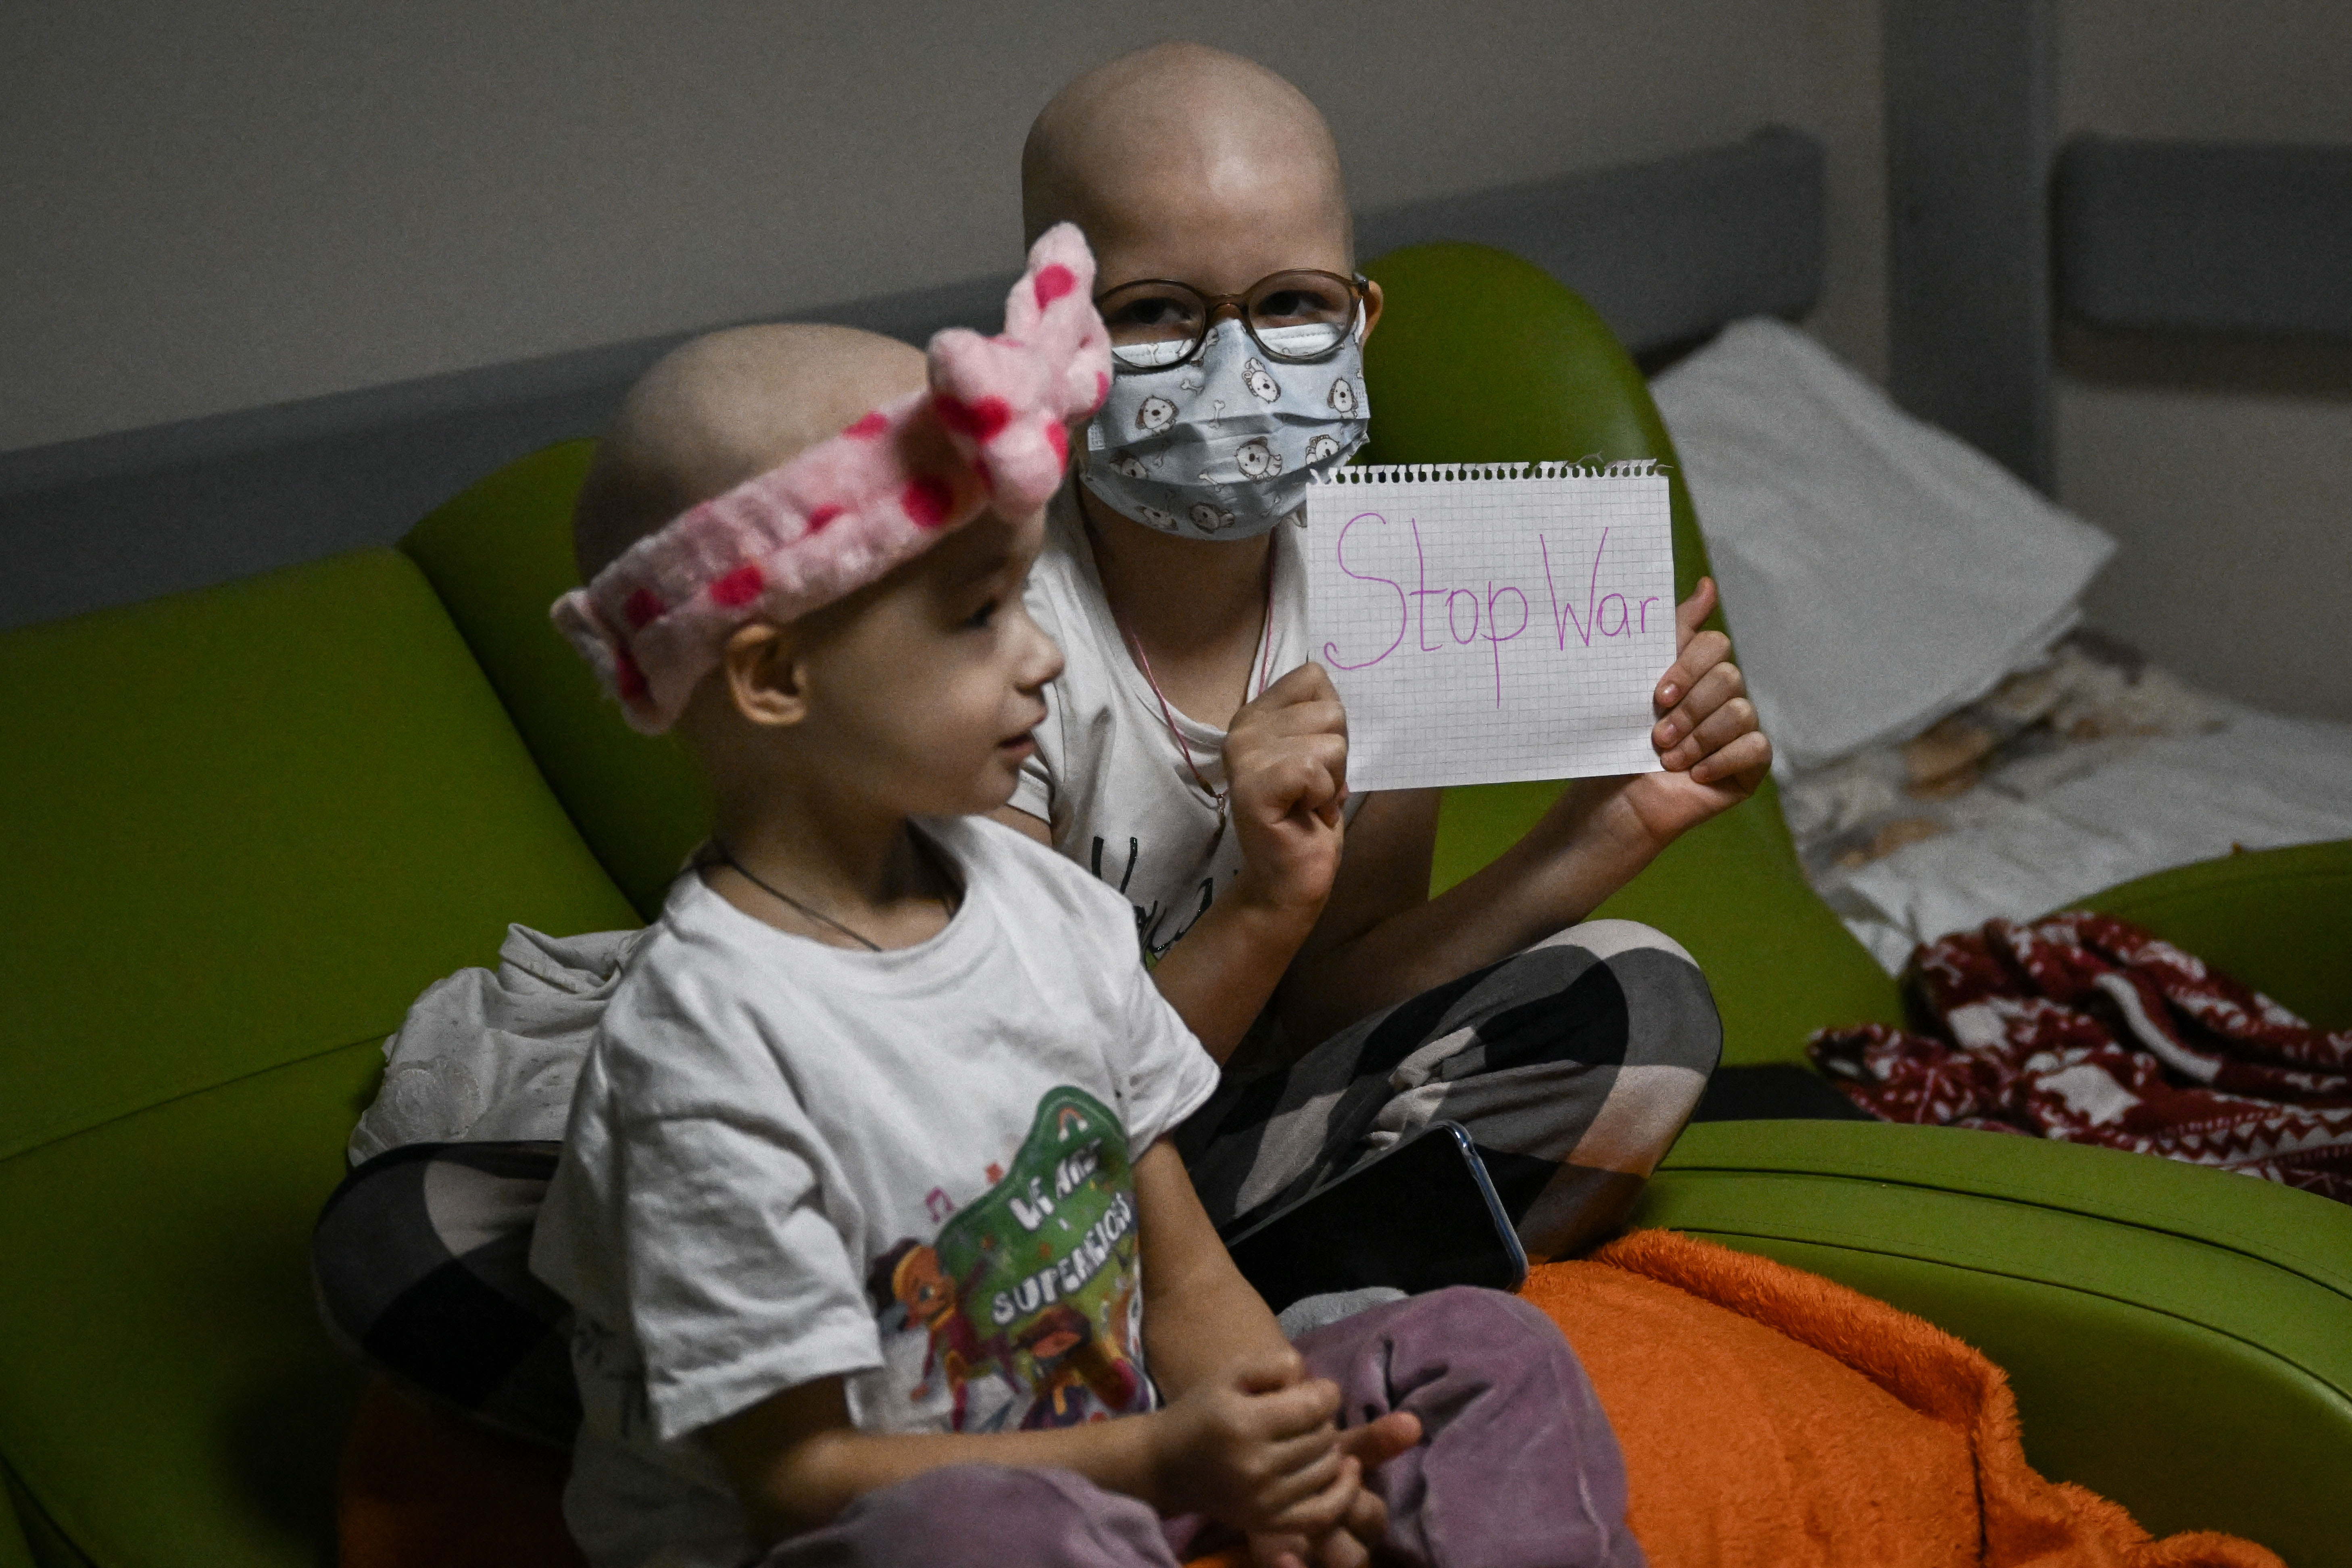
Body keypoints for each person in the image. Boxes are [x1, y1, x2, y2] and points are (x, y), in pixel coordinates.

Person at [521, 229, 1641, 1568]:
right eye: (981, 612)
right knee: (977, 1529)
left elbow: (1181, 1270)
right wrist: (1160, 1459)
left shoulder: (1038, 910)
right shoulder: (703, 1049)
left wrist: (1272, 1443)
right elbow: (801, 1479)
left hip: (1124, 1452)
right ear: (772, 680)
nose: (1043, 651)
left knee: (1482, 1344)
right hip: (891, 1522)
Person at [1002, 44, 1772, 1257]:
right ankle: (1205, 1322)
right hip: (1032, 1181)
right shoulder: (984, 635)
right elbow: (1029, 1110)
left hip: (1230, 1147)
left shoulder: (1393, 580)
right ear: (1052, 333)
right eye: (1156, 311)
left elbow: (1330, 1006)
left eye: (1291, 303)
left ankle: (1238, 1299)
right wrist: (1260, 901)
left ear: (1360, 317)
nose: (1234, 365)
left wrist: (1610, 826)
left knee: (1636, 997)